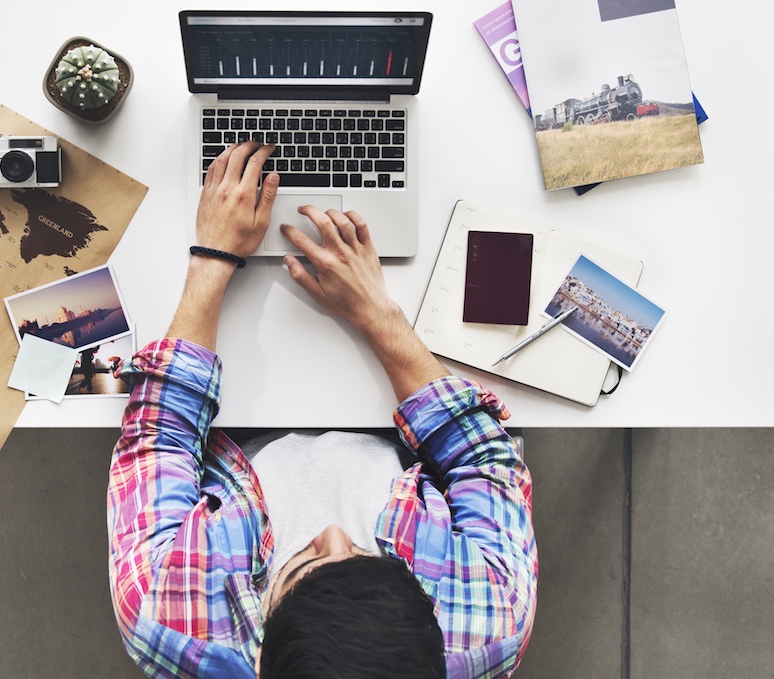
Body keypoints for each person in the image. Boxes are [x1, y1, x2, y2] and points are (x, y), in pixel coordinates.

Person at [107, 142, 537, 678]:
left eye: (302, 566)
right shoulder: (487, 629)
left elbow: (158, 441)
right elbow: (485, 460)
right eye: (366, 555)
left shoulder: (165, 616)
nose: (332, 532)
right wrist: (379, 313)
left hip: (236, 432)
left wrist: (213, 258)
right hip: (407, 437)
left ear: (260, 656)